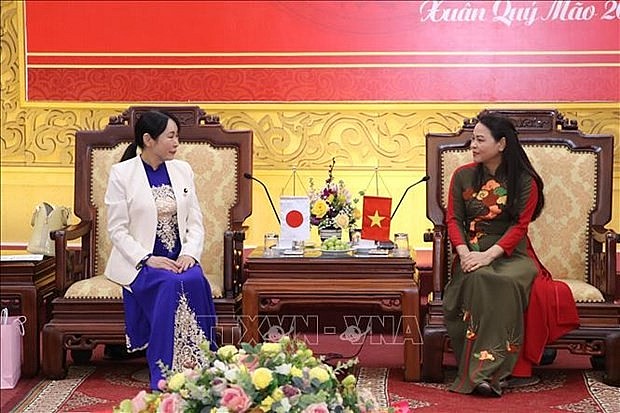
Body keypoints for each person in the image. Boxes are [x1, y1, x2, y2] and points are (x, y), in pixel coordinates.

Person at [443, 114, 579, 397]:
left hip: (512, 254)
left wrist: (489, 256)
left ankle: (488, 374)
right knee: (478, 278)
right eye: (473, 139)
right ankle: (484, 373)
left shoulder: (525, 181)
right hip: (471, 250)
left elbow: (520, 227)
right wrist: (465, 252)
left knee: (504, 281)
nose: (473, 145)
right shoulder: (463, 176)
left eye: (481, 140)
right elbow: (453, 220)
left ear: (502, 143)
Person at [104, 110, 217, 390]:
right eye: (171, 136)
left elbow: (195, 221)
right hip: (141, 264)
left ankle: (201, 365)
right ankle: (167, 373)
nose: (177, 142)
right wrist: (147, 259)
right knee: (169, 285)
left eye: (177, 135)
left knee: (191, 279)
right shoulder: (122, 174)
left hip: (180, 260)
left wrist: (189, 253)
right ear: (148, 139)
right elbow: (117, 230)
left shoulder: (182, 170)